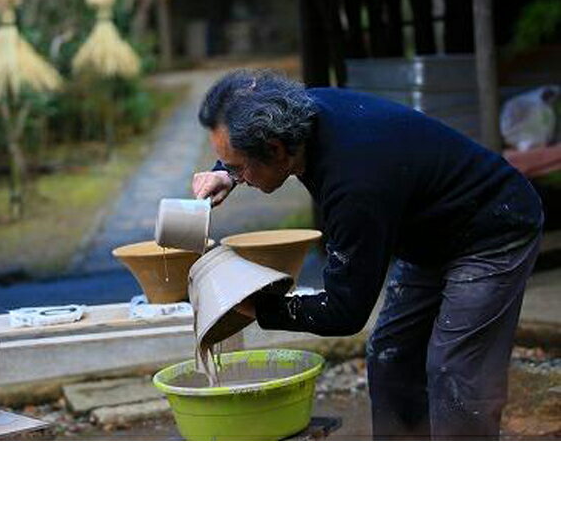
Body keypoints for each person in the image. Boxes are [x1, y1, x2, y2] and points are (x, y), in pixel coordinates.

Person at [192, 68, 544, 440]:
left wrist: (258, 308)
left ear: (275, 149)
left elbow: (345, 312)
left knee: (455, 372)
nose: (236, 175)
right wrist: (225, 174)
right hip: (430, 229)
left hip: (492, 227)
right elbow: (253, 147)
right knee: (391, 354)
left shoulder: (354, 185)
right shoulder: (297, 112)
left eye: (236, 166)